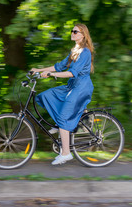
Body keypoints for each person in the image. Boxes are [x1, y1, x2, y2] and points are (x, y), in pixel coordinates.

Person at [30, 23, 94, 165]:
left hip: (81, 88)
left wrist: (52, 74)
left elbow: (72, 73)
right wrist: (39, 70)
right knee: (46, 96)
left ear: (83, 34)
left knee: (64, 118)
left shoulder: (85, 52)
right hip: (72, 87)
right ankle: (62, 123)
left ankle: (66, 153)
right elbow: (59, 66)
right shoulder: (75, 50)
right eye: (72, 31)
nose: (72, 33)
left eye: (75, 31)